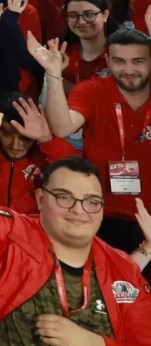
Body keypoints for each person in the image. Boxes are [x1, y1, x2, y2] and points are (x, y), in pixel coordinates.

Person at [0, 81, 151, 346]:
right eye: (64, 197)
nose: (79, 209)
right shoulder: (11, 237)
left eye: (92, 201)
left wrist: (93, 345)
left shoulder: (122, 271)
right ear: (41, 200)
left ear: (103, 209)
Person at [35, 28, 151, 253]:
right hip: (101, 213)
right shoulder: (92, 90)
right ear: (107, 61)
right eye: (119, 61)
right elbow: (62, 127)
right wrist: (53, 74)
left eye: (138, 61)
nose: (128, 70)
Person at [0, 93, 79, 214]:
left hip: (34, 225)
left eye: (25, 138)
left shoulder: (47, 154)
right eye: (6, 134)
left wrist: (47, 140)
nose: (15, 146)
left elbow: (80, 173)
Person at [61, 0, 111, 87]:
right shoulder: (61, 53)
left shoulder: (119, 53)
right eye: (73, 15)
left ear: (105, 15)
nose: (81, 22)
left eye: (89, 14)